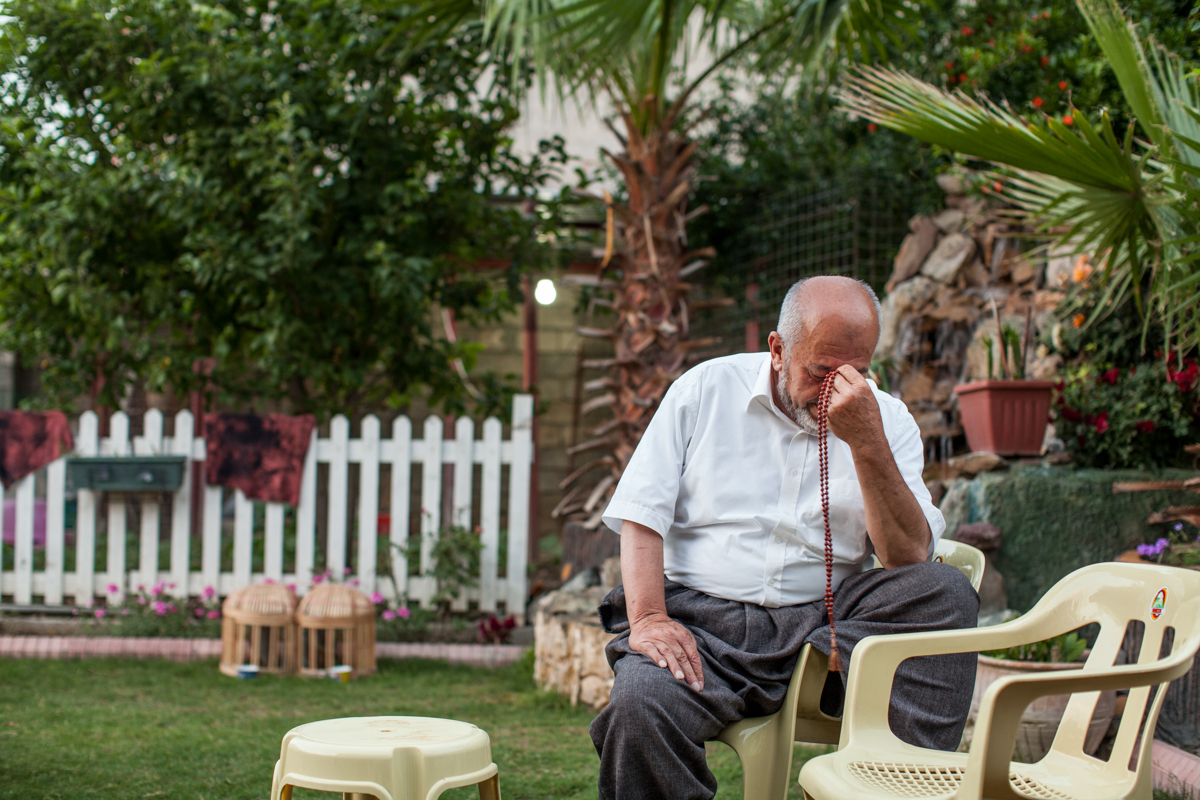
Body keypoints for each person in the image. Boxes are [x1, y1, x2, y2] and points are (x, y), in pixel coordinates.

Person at [589, 275, 978, 800]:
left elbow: (907, 556)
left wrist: (866, 442)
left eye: (856, 372)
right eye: (820, 372)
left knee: (943, 590)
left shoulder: (887, 419)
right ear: (777, 348)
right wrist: (649, 618)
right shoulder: (704, 389)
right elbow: (641, 516)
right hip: (703, 627)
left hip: (826, 626)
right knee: (638, 706)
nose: (834, 391)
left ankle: (904, 786)